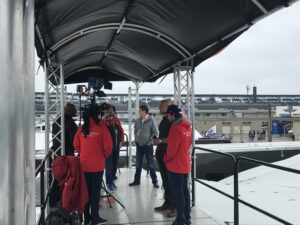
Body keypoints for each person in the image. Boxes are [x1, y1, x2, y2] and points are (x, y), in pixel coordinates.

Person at [73, 104, 112, 225]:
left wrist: (83, 153)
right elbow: (108, 147)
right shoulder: (102, 128)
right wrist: (102, 156)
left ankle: (87, 217)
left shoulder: (82, 128)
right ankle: (95, 218)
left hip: (84, 165)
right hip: (97, 165)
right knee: (95, 193)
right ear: (97, 114)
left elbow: (76, 144)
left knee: (86, 192)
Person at [164, 104, 192, 225]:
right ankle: (187, 218)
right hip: (185, 164)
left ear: (173, 114)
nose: (167, 117)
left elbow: (172, 149)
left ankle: (180, 220)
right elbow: (189, 143)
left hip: (175, 166)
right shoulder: (187, 126)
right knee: (185, 192)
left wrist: (165, 158)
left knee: (178, 195)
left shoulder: (175, 128)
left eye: (168, 115)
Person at [49, 102, 78, 208]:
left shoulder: (57, 121)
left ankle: (53, 201)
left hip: (57, 154)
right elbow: (73, 142)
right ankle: (64, 200)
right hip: (68, 156)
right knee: (67, 180)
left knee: (57, 179)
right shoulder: (71, 124)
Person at [153, 100, 176, 217]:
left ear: (167, 107)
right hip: (161, 154)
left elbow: (173, 138)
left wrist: (160, 140)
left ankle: (173, 206)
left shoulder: (172, 121)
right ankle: (167, 203)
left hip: (168, 154)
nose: (159, 108)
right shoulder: (164, 119)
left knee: (170, 181)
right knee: (165, 181)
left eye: (161, 106)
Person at [129, 105, 159, 188]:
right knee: (138, 164)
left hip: (148, 146)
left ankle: (155, 181)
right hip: (139, 145)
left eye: (140, 111)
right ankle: (136, 181)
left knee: (151, 164)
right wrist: (136, 139)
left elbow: (155, 132)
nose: (138, 112)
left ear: (144, 111)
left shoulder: (151, 120)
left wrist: (149, 141)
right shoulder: (138, 120)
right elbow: (135, 130)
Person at [103, 104, 124, 192]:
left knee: (115, 164)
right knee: (109, 166)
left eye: (111, 110)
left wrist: (121, 141)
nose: (110, 112)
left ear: (114, 112)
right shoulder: (104, 122)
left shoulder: (117, 120)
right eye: (108, 111)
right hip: (109, 148)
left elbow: (121, 131)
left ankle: (111, 181)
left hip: (116, 147)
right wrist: (104, 119)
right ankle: (108, 183)